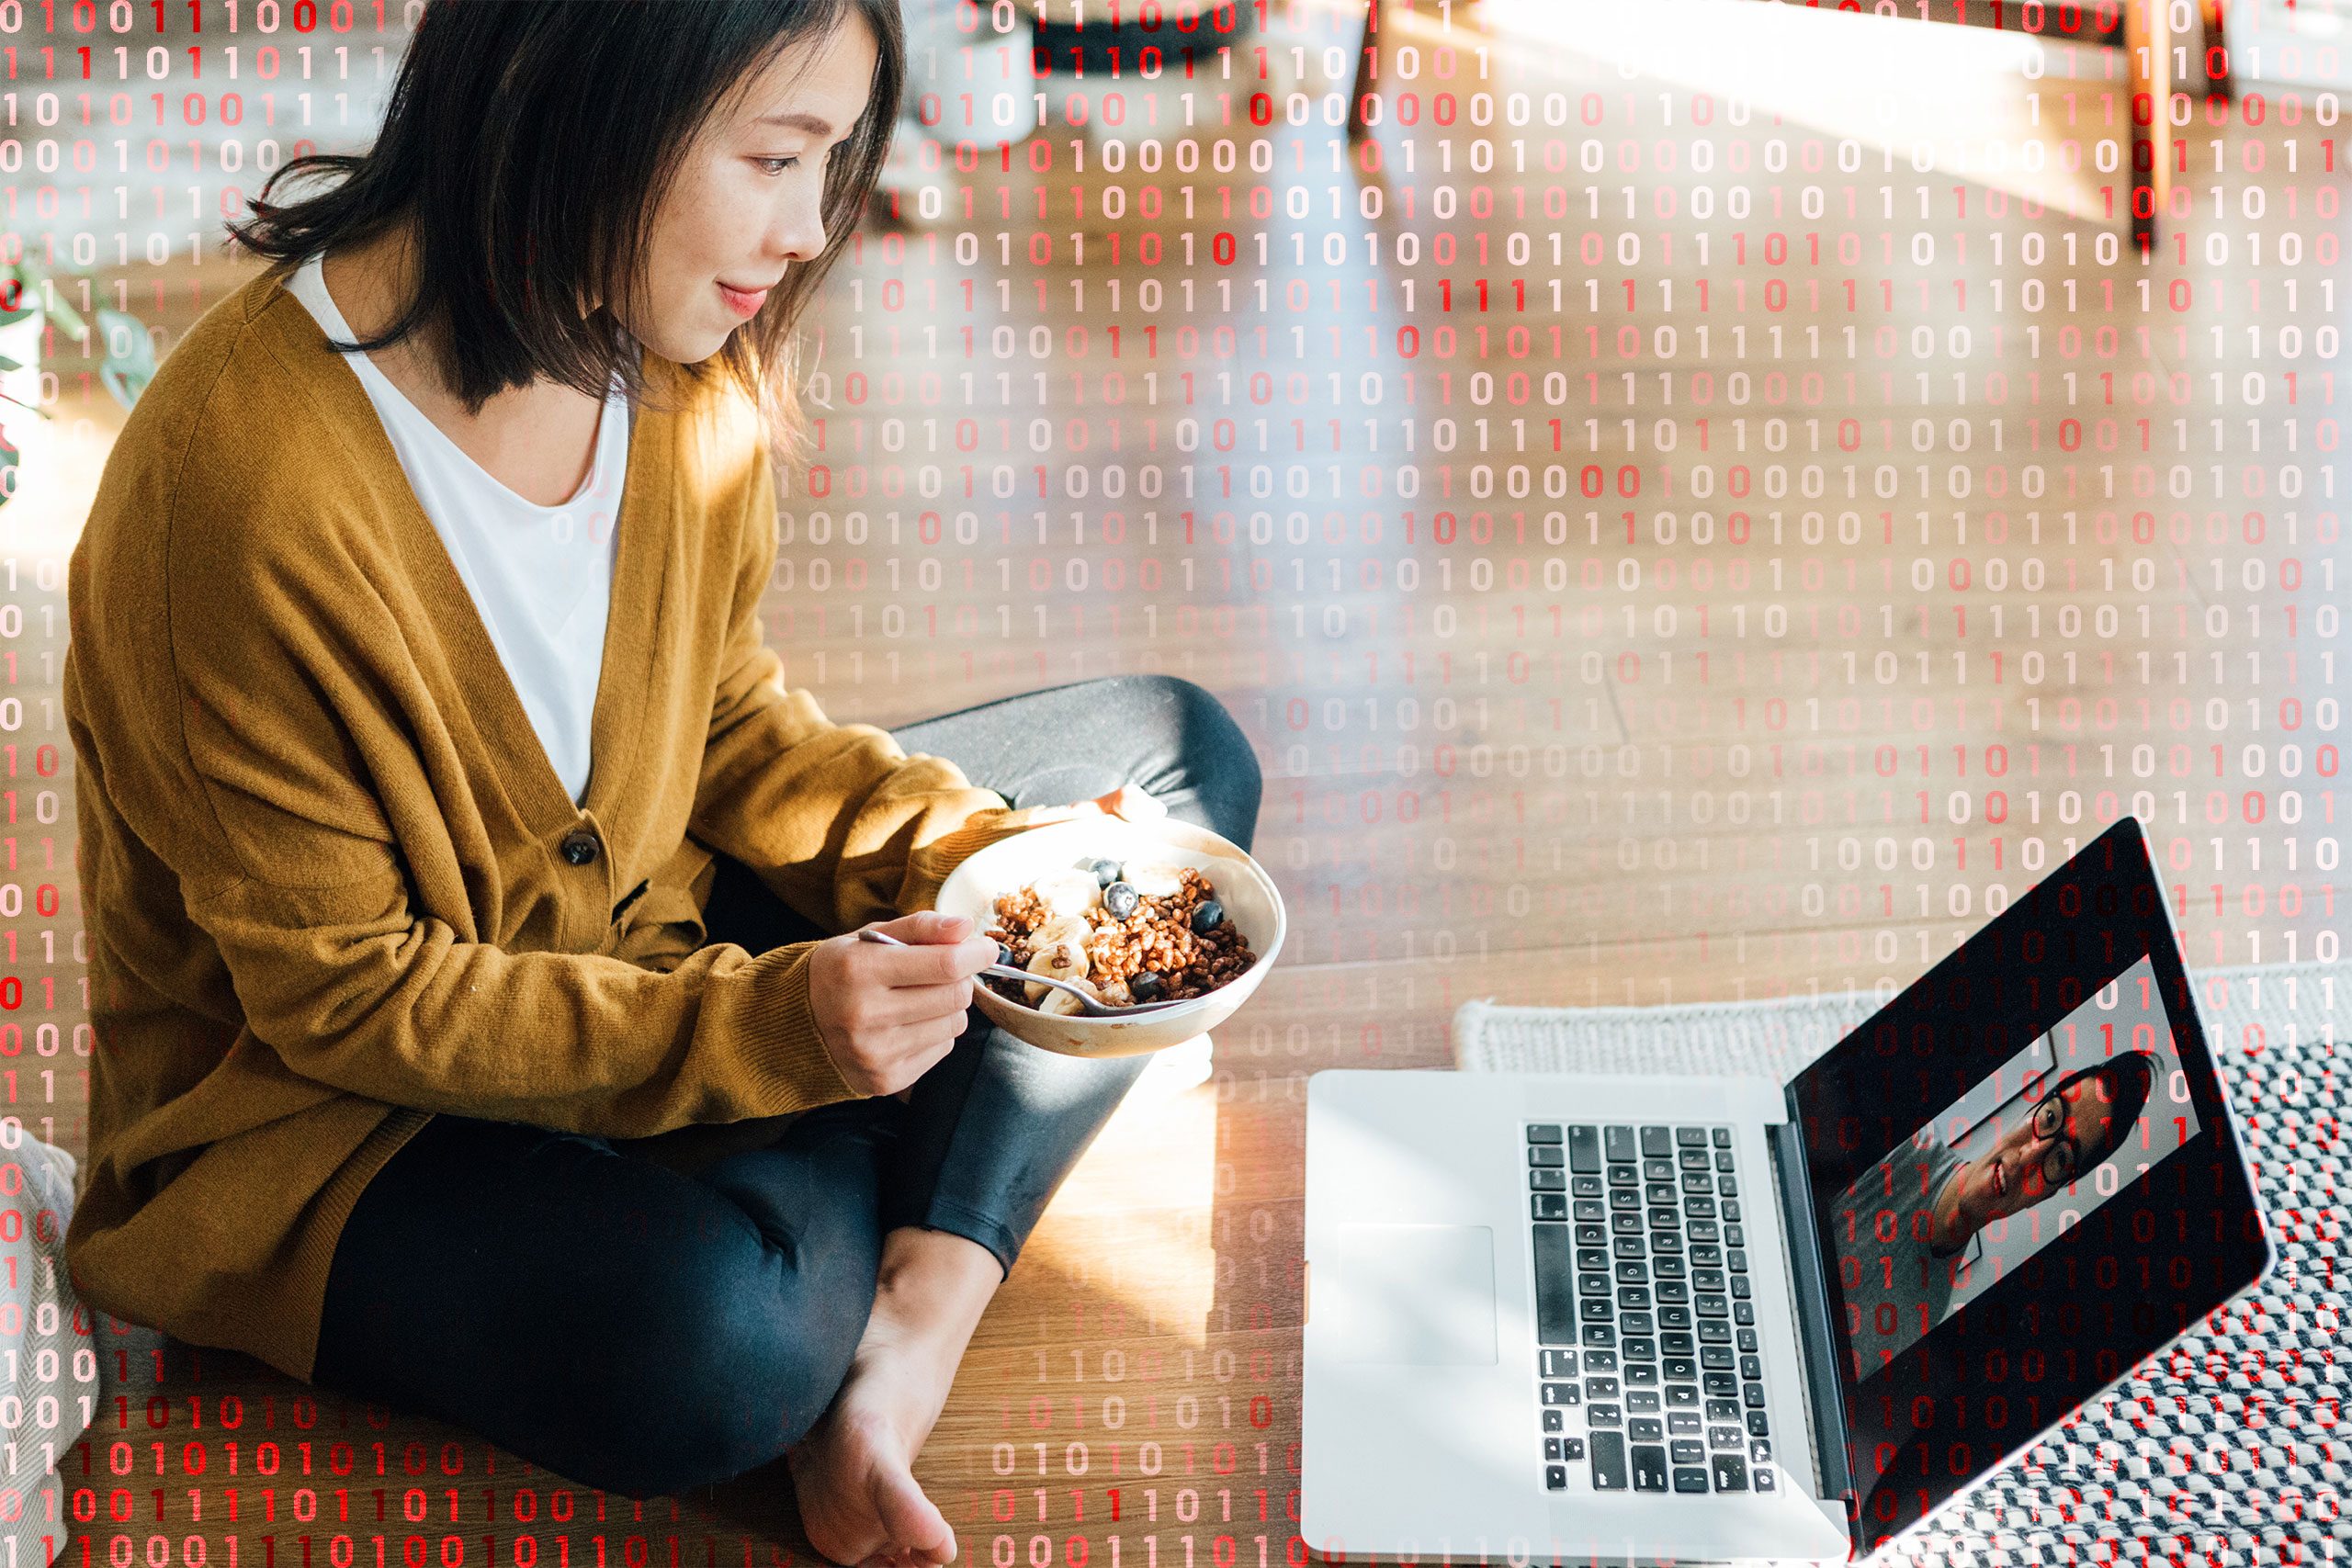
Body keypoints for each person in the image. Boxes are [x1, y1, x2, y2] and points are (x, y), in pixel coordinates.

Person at [59, 4, 1262, 1565]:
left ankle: (914, 1311)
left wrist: (976, 861)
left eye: (830, 160)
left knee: (1169, 764)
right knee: (724, 1339)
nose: (809, 225)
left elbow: (721, 728)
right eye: (773, 158)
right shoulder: (238, 489)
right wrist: (774, 1030)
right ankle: (892, 1173)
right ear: (580, 95)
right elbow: (342, 998)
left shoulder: (672, 339)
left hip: (636, 946)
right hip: (328, 1128)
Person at [1834, 1053, 2155, 1375]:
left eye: (2060, 1159)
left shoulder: (1929, 1311)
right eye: (2050, 1118)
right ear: (2031, 1111)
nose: (2029, 1155)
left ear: (2049, 1194)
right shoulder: (1896, 1145)